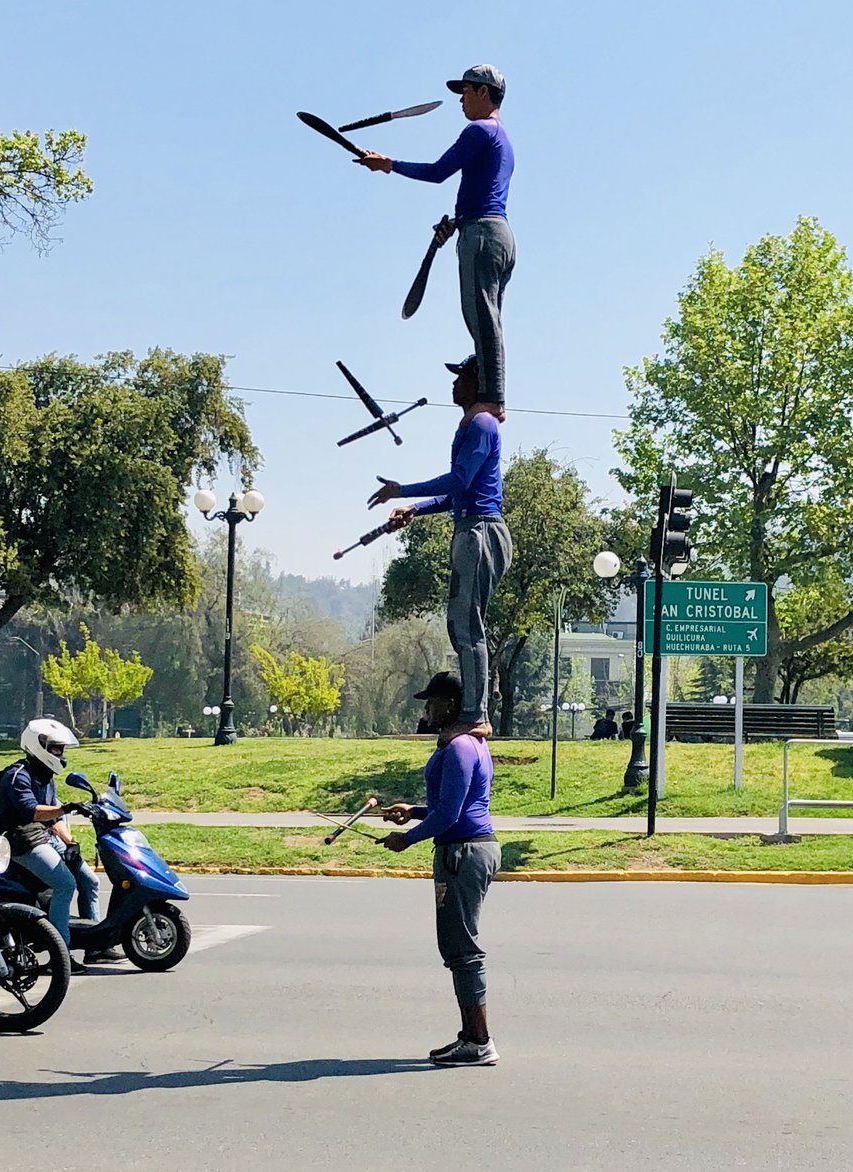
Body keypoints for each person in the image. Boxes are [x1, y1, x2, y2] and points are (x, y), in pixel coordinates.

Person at [369, 355, 512, 745]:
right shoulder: (471, 424)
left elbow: (460, 479)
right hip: (470, 528)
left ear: (478, 382)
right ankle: (473, 712)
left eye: (461, 377)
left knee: (468, 625)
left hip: (481, 533)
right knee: (460, 625)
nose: (454, 384)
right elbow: (460, 492)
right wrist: (415, 510)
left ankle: (474, 714)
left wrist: (404, 490)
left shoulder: (482, 424)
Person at [357, 64, 515, 414]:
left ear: (484, 92)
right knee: (485, 319)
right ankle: (490, 393)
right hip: (494, 234)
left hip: (483, 236)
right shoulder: (501, 137)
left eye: (466, 91)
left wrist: (389, 165)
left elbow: (438, 172)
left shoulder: (479, 131)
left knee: (482, 319)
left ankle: (492, 400)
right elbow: (480, 191)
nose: (461, 99)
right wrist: (456, 224)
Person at [381, 671, 501, 1067]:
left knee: (462, 950)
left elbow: (451, 814)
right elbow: (453, 805)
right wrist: (413, 811)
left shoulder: (461, 748)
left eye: (431, 701)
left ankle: (480, 1042)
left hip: (463, 853)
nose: (427, 709)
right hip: (466, 848)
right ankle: (469, 1035)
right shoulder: (469, 744)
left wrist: (409, 838)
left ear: (450, 704)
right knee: (455, 948)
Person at [0, 717, 115, 972]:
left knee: (89, 880)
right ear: (38, 746)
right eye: (55, 748)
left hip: (44, 836)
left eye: (61, 748)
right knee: (64, 884)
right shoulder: (17, 776)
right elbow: (33, 811)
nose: (60, 753)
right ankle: (61, 954)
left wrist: (70, 842)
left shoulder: (46, 776)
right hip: (23, 841)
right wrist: (66, 808)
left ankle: (95, 946)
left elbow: (54, 819)